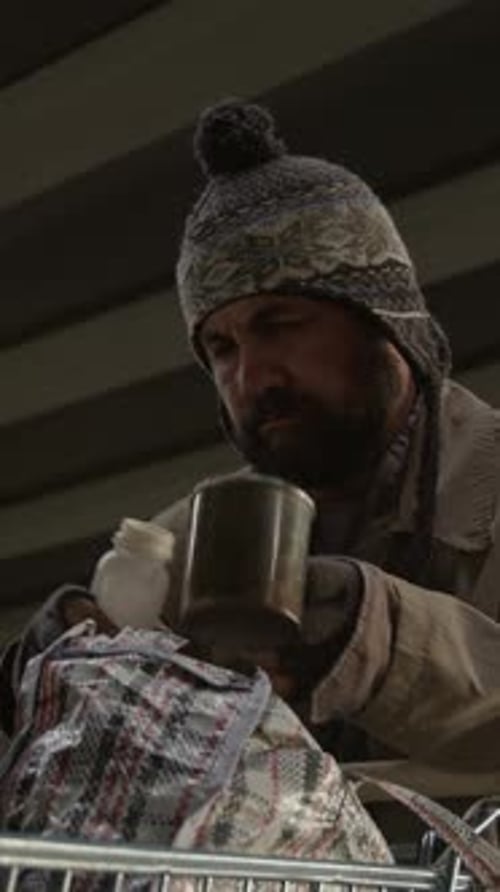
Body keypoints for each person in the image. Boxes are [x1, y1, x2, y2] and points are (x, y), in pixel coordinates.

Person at [2, 100, 500, 777]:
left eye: (280, 323)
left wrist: (376, 642)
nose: (251, 375)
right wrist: (44, 677)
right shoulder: (188, 543)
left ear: (388, 328)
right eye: (221, 346)